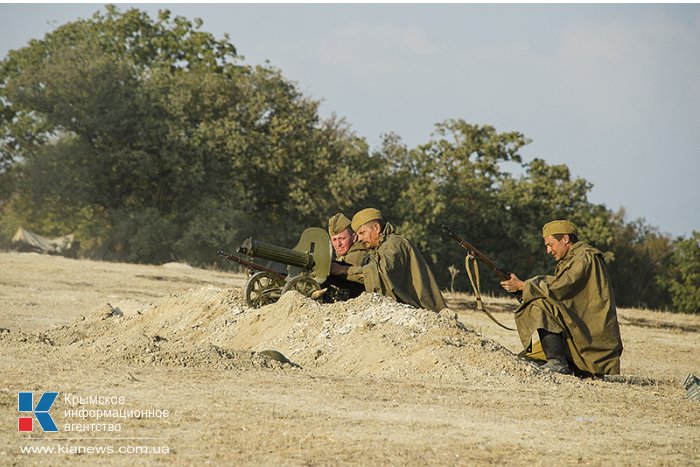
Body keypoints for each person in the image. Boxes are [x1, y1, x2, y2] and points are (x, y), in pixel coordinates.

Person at [499, 220, 623, 376]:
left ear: (565, 239)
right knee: (524, 360)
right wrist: (521, 291)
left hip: (591, 343)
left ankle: (557, 362)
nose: (548, 251)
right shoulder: (574, 258)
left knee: (538, 304)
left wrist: (525, 286)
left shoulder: (583, 257)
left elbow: (561, 286)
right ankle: (565, 363)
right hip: (580, 337)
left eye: (550, 245)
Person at [332, 208, 447, 312]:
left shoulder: (395, 243)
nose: (360, 239)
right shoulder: (380, 248)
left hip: (425, 311)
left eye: (362, 233)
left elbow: (381, 272)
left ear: (376, 228)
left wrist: (343, 270)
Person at [324, 213, 368, 299]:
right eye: (334, 239)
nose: (338, 244)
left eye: (342, 238)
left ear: (354, 237)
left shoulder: (356, 256)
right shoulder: (345, 255)